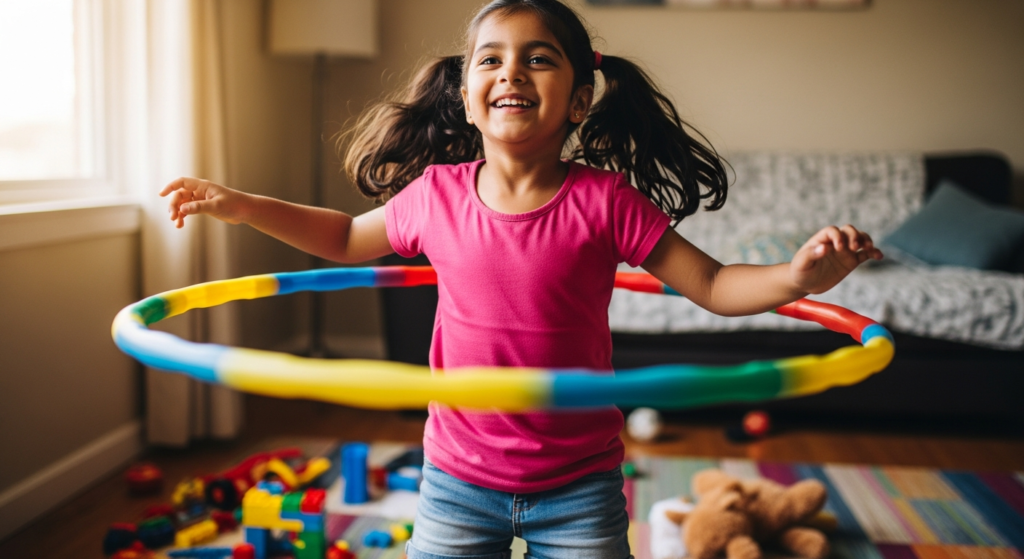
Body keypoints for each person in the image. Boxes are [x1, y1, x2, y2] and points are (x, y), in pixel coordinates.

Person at [161, 1, 882, 557]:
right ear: (469, 98)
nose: (512, 72)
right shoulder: (435, 195)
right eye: (491, 61)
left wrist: (799, 275)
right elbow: (346, 238)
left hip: (579, 484)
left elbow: (716, 284)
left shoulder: (605, 201)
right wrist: (240, 203)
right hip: (455, 478)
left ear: (578, 100)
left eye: (538, 60)